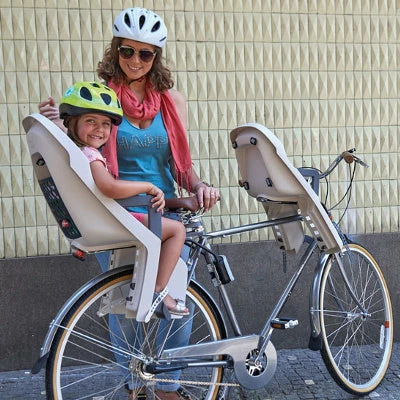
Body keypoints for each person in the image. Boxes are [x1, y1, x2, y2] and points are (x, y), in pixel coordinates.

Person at [38, 7, 220, 400]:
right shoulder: (101, 97)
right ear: (115, 50)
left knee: (177, 305)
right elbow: (79, 148)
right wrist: (56, 124)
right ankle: (135, 387)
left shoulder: (172, 101)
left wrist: (199, 186)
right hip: (118, 212)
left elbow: (181, 164)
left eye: (145, 53)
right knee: (123, 310)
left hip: (167, 210)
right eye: (127, 51)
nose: (135, 60)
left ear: (157, 56)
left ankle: (168, 387)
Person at [59, 80, 189, 317]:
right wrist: (148, 187)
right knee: (177, 231)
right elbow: (109, 187)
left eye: (106, 124)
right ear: (72, 122)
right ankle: (158, 290)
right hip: (120, 217)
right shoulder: (91, 155)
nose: (99, 129)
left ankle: (152, 285)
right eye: (90, 121)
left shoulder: (77, 153)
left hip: (108, 216)